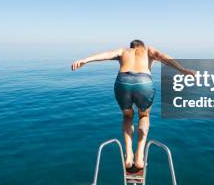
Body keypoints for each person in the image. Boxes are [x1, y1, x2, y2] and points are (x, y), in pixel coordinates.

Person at [71, 40, 193, 169]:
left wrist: (85, 60)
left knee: (127, 116)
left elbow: (105, 54)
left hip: (123, 82)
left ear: (131, 47)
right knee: (144, 116)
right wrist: (182, 69)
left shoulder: (123, 51)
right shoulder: (148, 50)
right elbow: (163, 57)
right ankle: (139, 156)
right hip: (143, 82)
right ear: (142, 46)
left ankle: (129, 156)